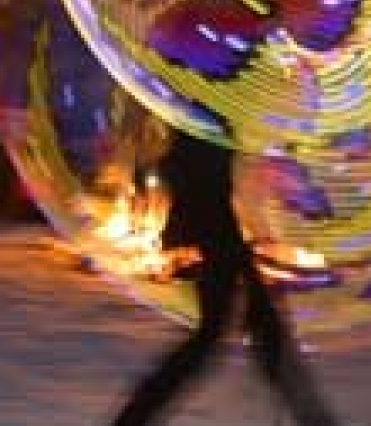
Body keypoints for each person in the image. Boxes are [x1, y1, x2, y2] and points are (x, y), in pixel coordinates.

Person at [113, 128, 339, 426]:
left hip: (211, 207)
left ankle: (315, 419)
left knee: (255, 321)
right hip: (207, 211)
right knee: (224, 328)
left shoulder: (211, 111)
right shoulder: (204, 108)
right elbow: (193, 149)